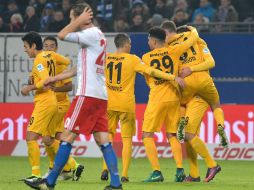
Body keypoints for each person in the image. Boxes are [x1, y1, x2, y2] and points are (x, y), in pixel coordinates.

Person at [24, 3, 122, 190]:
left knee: (67, 136)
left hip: (86, 95)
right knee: (103, 141)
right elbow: (78, 69)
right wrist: (54, 77)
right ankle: (116, 183)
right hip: (100, 96)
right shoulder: (98, 36)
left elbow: (61, 35)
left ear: (81, 18)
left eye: (72, 18)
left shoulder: (89, 34)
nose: (71, 21)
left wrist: (79, 19)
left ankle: (49, 182)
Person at [101, 33, 185, 182]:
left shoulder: (106, 57)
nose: (131, 46)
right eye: (130, 44)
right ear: (126, 44)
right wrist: (172, 77)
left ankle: (105, 169)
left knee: (109, 136)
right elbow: (151, 71)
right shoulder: (133, 59)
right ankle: (125, 174)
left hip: (109, 103)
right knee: (127, 140)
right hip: (126, 104)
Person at [161, 21, 228, 181]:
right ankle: (220, 126)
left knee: (186, 129)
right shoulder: (198, 40)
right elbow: (211, 63)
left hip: (187, 86)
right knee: (215, 106)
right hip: (204, 83)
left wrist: (188, 70)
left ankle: (207, 167)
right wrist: (195, 67)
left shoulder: (169, 45)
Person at [141, 26, 198, 182]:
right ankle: (180, 170)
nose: (148, 42)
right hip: (174, 98)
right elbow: (193, 39)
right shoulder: (174, 51)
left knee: (147, 135)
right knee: (172, 134)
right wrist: (193, 30)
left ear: (153, 41)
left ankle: (156, 172)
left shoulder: (146, 57)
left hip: (157, 98)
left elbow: (148, 78)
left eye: (148, 40)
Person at [20, 31, 70, 182]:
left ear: (33, 45)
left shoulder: (39, 59)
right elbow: (66, 61)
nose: (25, 50)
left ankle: (35, 174)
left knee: (31, 137)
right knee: (48, 139)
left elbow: (46, 80)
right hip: (52, 102)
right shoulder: (50, 55)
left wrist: (29, 88)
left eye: (26, 46)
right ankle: (70, 165)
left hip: (45, 102)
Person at [42, 36, 84, 181]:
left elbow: (69, 86)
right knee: (57, 138)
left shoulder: (60, 64)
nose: (48, 49)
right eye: (46, 46)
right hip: (49, 105)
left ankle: (70, 165)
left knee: (47, 139)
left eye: (51, 46)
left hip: (58, 105)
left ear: (56, 48)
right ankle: (63, 170)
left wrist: (55, 89)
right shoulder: (41, 64)